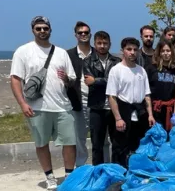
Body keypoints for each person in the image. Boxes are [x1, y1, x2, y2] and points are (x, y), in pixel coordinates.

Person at [9, 16, 77, 191]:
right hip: (37, 107)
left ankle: (69, 176)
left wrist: (67, 79)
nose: (42, 31)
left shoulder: (61, 53)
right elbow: (16, 79)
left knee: (69, 142)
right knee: (41, 144)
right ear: (33, 30)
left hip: (62, 105)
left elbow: (72, 79)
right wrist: (22, 104)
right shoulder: (23, 52)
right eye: (38, 28)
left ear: (50, 30)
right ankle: (50, 177)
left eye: (45, 28)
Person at [105, 38, 155, 168]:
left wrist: (150, 115)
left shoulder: (141, 70)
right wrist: (118, 118)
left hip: (140, 112)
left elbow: (147, 95)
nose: (132, 52)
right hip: (123, 111)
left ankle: (136, 174)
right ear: (123, 51)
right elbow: (112, 96)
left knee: (138, 146)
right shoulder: (116, 70)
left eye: (134, 50)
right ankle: (119, 175)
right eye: (129, 49)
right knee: (120, 147)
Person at [84, 31, 119, 165]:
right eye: (99, 43)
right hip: (96, 107)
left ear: (110, 44)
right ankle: (98, 172)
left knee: (117, 143)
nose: (102, 46)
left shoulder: (117, 61)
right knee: (97, 144)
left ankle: (117, 171)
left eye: (105, 43)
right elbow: (89, 81)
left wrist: (96, 80)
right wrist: (105, 81)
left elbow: (117, 82)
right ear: (94, 44)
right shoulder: (87, 62)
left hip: (114, 107)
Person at [66, 21, 94, 168]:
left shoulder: (97, 53)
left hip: (97, 103)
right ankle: (81, 168)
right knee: (79, 138)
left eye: (86, 32)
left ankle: (103, 166)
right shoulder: (68, 55)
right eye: (80, 33)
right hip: (77, 102)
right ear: (75, 35)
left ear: (90, 34)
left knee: (102, 139)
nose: (83, 35)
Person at [148, 38, 175, 132]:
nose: (166, 53)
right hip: (155, 109)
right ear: (159, 53)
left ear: (172, 52)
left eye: (168, 51)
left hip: (170, 109)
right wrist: (150, 114)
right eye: (163, 51)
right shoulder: (151, 68)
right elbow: (147, 93)